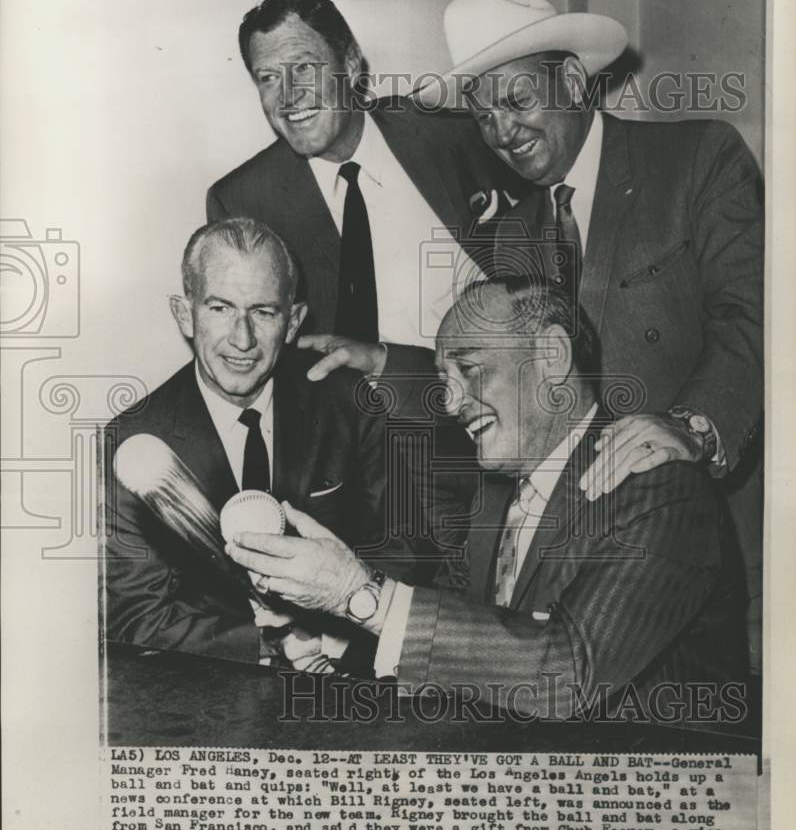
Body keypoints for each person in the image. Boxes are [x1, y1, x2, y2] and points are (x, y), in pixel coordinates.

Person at [416, 0, 764, 668]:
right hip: (580, 567)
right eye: (482, 117)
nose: (502, 133)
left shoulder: (699, 159)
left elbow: (757, 320)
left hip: (708, 543)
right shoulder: (507, 233)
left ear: (573, 79)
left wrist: (690, 427)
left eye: (516, 101)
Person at [225, 277, 748, 719]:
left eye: (470, 370)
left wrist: (357, 594)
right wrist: (331, 632)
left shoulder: (660, 486)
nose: (450, 402)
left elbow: (566, 675)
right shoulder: (496, 497)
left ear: (552, 356)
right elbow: (473, 650)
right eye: (442, 381)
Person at [104, 218, 428, 665]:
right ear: (184, 313)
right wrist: (271, 647)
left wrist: (341, 630)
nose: (242, 339)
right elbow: (134, 616)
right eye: (219, 308)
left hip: (353, 675)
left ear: (293, 321)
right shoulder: (132, 442)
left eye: (263, 312)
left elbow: (404, 548)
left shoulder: (348, 403)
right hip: (214, 697)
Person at [206, 0, 507, 382]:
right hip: (353, 431)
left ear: (349, 65)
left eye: (303, 68)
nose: (287, 96)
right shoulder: (243, 202)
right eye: (268, 78)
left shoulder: (446, 133)